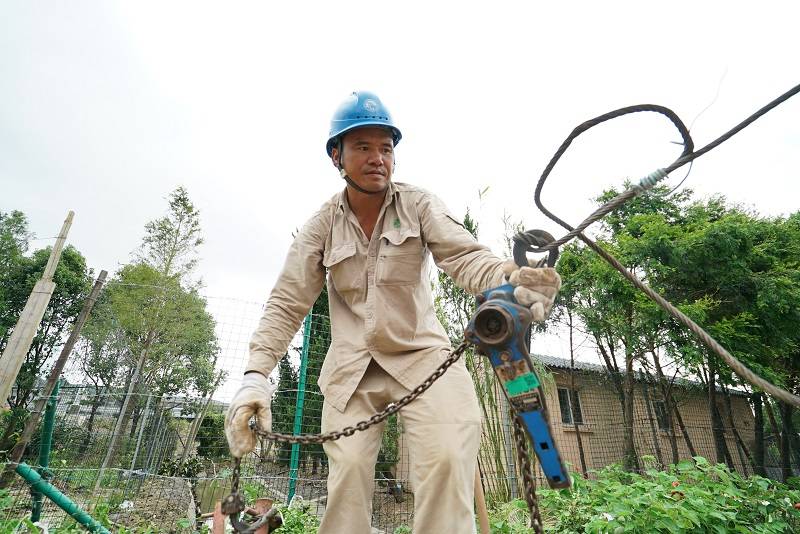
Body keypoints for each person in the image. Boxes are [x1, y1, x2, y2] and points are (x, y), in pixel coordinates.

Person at [224, 91, 561, 533]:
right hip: (352, 370)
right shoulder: (321, 226)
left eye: (386, 147)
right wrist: (255, 376)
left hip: (423, 356)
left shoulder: (418, 205)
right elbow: (287, 303)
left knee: (447, 455)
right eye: (362, 146)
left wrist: (512, 277)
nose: (377, 158)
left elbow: (465, 257)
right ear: (336, 156)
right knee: (346, 479)